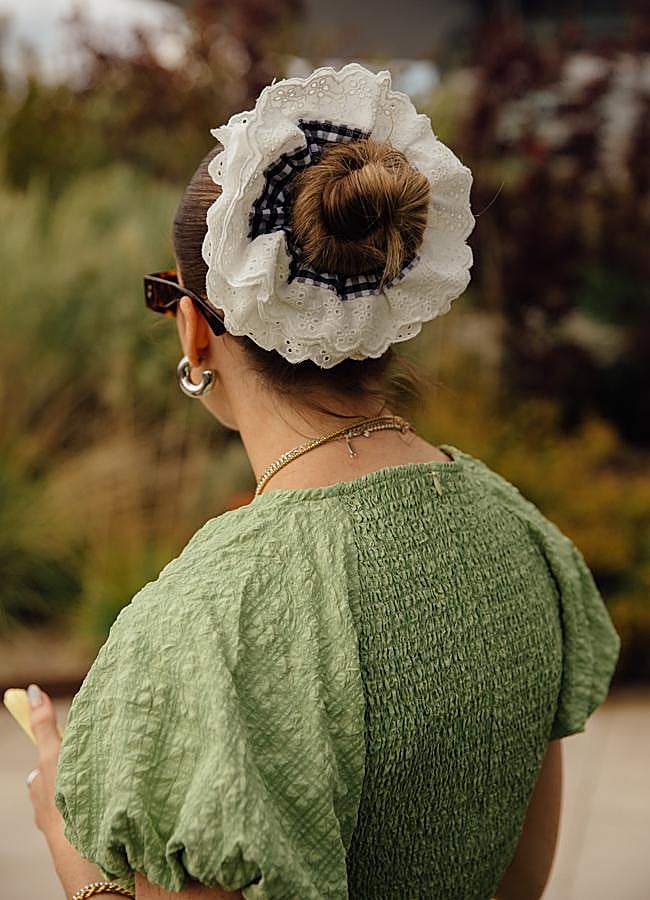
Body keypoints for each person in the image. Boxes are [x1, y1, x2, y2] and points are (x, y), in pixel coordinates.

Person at [25, 63, 620, 900]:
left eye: (170, 300)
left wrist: (69, 850)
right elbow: (518, 884)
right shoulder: (519, 536)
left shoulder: (205, 617)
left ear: (195, 334)